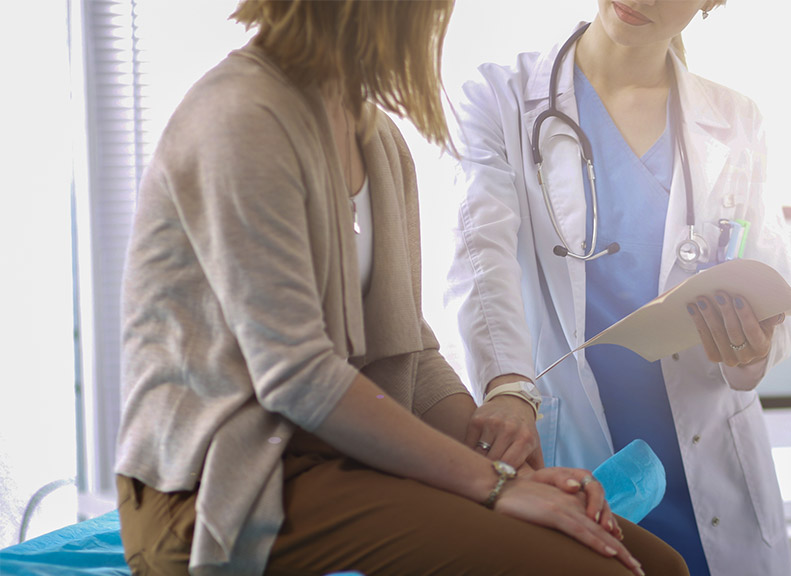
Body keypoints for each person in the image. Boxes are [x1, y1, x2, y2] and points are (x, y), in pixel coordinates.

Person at [113, 1, 689, 575]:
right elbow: (298, 374)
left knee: (658, 566)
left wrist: (511, 467)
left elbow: (408, 346)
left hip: (336, 464)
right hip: (220, 485)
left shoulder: (377, 138)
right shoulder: (241, 116)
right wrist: (493, 488)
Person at [446, 1, 791, 574]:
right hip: (579, 460)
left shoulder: (736, 122)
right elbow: (477, 254)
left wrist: (752, 352)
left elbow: (775, 291)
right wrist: (508, 384)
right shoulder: (500, 98)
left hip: (711, 474)